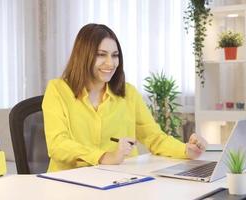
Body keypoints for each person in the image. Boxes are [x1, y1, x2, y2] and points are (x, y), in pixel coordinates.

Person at [42, 23, 207, 172]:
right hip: (69, 184)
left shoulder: (128, 94)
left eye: (115, 55)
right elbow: (58, 144)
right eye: (101, 54)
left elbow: (154, 137)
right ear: (83, 56)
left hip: (117, 181)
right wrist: (105, 157)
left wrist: (186, 150)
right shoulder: (57, 90)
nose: (111, 63)